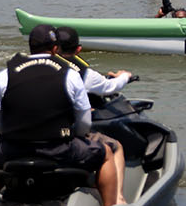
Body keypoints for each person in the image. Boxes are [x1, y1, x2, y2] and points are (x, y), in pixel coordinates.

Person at [0, 24, 119, 206]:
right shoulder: (69, 74)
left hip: (14, 149)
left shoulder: (6, 74)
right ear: (55, 48)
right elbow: (84, 123)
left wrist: (15, 135)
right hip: (59, 150)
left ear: (30, 47)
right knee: (107, 153)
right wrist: (72, 135)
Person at [55, 25, 130, 191]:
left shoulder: (31, 67)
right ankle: (117, 197)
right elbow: (110, 88)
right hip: (62, 139)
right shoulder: (79, 74)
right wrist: (125, 76)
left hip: (25, 138)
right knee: (114, 147)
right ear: (79, 49)